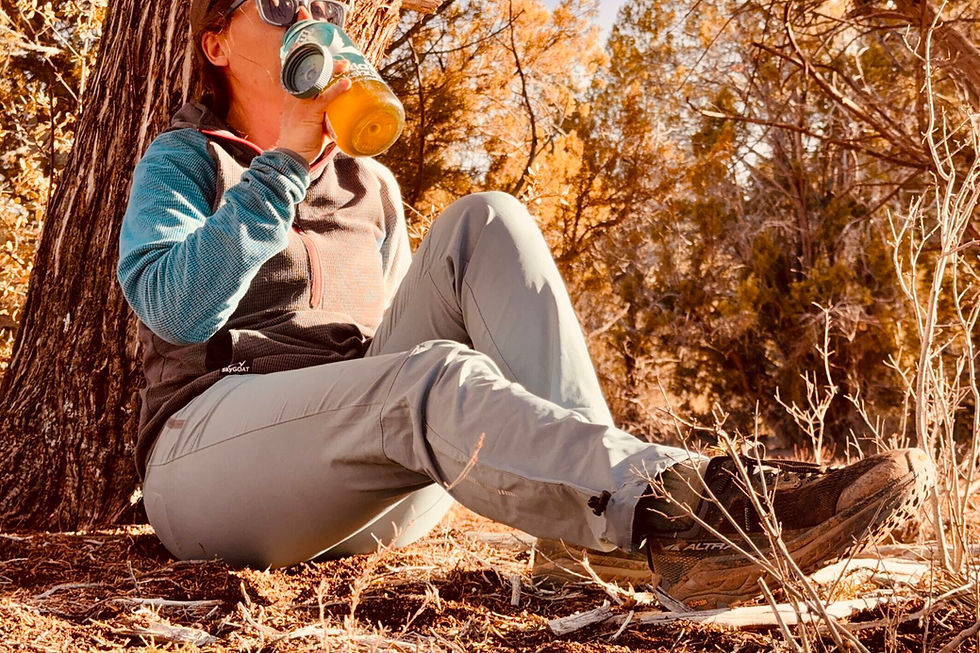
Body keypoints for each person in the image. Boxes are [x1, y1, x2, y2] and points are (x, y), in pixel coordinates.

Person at [117, 0, 934, 609]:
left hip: (359, 481)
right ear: (216, 41)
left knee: (489, 219)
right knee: (429, 379)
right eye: (280, 4)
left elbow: (388, 358)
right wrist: (283, 164)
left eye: (325, 4)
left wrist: (318, 155)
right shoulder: (182, 159)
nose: (310, 14)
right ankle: (683, 502)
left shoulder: (370, 183)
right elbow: (175, 310)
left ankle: (597, 533)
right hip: (208, 465)